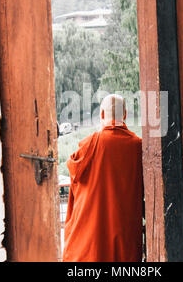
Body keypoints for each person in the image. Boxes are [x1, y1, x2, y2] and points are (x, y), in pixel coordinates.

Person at [63, 94, 143, 262]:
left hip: (91, 240)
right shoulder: (138, 146)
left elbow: (74, 170)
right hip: (124, 237)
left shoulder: (90, 144)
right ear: (125, 115)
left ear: (101, 115)